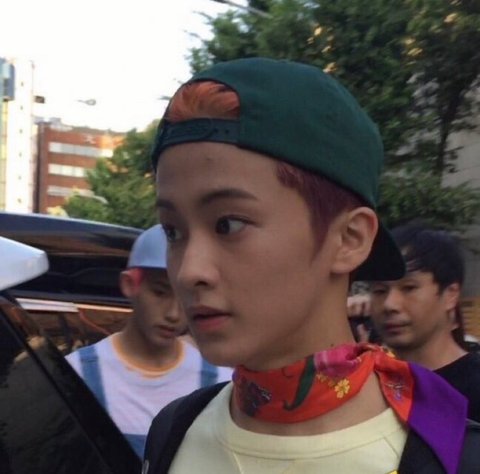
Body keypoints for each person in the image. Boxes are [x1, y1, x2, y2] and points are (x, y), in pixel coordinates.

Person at [144, 58, 480, 473]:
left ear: (349, 239)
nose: (188, 271)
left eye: (228, 224)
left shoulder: (450, 455)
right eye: (173, 231)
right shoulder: (174, 430)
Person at [66, 224, 232, 458]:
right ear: (129, 285)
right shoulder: (76, 376)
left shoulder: (221, 383)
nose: (173, 314)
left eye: (186, 297)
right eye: (160, 292)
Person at [365, 221, 480, 422]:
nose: (390, 304)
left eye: (409, 288)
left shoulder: (475, 385)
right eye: (379, 291)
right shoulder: (366, 386)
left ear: (451, 294)